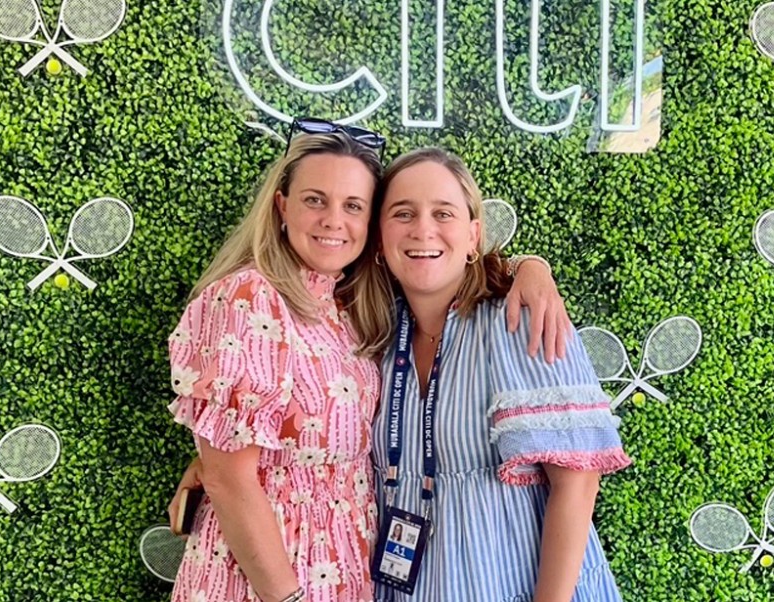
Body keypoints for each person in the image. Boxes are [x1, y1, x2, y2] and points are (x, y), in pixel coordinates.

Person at [165, 122, 569, 602]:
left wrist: (532, 267)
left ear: (370, 226)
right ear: (282, 207)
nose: (334, 220)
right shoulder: (248, 297)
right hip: (271, 580)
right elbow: (231, 478)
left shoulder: (352, 309)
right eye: (315, 200)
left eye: (353, 205)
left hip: (347, 568)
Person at [370, 148, 631, 601]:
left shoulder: (520, 320)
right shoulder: (375, 337)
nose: (422, 229)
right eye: (403, 213)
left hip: (515, 584)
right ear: (379, 237)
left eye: (443, 213)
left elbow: (577, 480)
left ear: (473, 235)